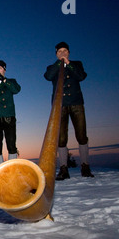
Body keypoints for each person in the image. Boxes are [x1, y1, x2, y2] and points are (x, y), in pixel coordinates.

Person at [44, 42, 94, 180]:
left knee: (82, 135)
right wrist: (59, 63)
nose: (62, 53)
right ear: (56, 54)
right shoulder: (52, 67)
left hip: (76, 104)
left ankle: (85, 166)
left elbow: (81, 76)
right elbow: (48, 76)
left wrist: (68, 63)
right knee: (61, 138)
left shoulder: (76, 64)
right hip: (59, 106)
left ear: (69, 53)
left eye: (65, 51)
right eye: (59, 51)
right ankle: (63, 169)